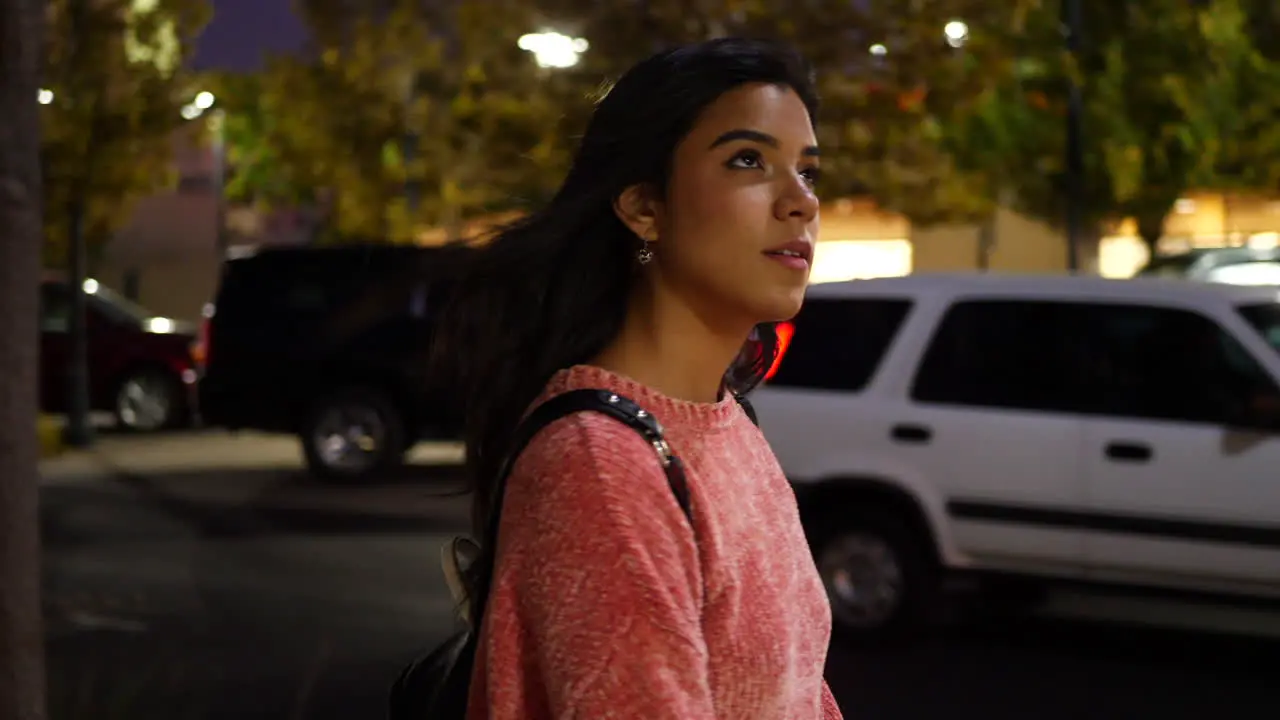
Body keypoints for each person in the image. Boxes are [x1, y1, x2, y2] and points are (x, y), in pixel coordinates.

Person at [435, 36, 842, 720]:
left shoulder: (728, 422)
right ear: (644, 208)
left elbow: (800, 696)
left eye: (808, 171)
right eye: (749, 161)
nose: (800, 201)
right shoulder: (600, 465)